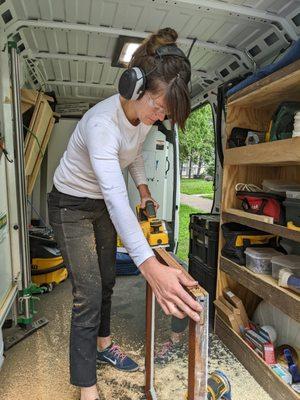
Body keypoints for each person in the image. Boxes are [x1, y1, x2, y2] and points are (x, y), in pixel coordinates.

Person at [47, 27, 202, 400]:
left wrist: (145, 188)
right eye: (159, 106)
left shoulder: (144, 118)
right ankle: (87, 390)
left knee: (107, 280)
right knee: (88, 292)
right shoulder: (102, 124)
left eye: (167, 111)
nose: (160, 115)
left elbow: (131, 157)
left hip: (98, 203)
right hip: (70, 205)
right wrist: (150, 267)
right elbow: (117, 199)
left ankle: (104, 347)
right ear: (134, 88)